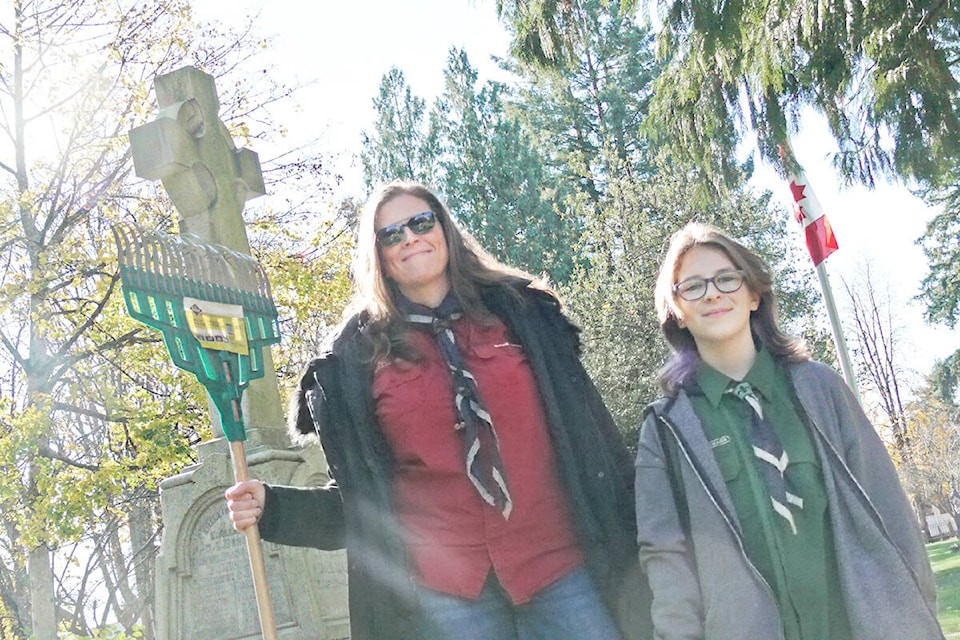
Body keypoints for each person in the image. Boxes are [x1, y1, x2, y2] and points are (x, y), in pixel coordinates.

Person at [225, 180, 646, 640]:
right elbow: (368, 504)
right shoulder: (357, 360)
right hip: (448, 595)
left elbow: (595, 445)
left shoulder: (526, 316)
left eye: (421, 223)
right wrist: (274, 509)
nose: (409, 238)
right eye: (390, 234)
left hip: (560, 569)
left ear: (445, 229)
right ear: (377, 254)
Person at [634, 221, 943, 640]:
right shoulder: (667, 430)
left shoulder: (822, 389)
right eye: (692, 287)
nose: (712, 293)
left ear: (754, 294)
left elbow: (889, 510)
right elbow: (667, 560)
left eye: (726, 278)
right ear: (677, 313)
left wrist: (917, 614)